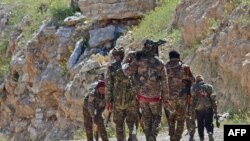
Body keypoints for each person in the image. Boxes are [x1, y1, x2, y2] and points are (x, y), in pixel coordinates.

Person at [122, 39, 169, 141]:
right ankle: (153, 135)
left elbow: (126, 72)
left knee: (145, 116)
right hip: (155, 97)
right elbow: (165, 82)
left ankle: (148, 136)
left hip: (142, 96)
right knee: (156, 117)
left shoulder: (138, 60)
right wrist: (165, 98)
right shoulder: (160, 63)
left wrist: (125, 60)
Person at [105, 46, 138, 141]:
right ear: (123, 55)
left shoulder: (111, 68)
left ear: (114, 56)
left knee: (119, 124)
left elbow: (108, 86)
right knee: (132, 122)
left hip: (117, 101)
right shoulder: (129, 66)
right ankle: (133, 136)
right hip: (131, 98)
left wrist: (108, 101)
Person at [165, 50, 195, 141]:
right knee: (181, 119)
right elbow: (193, 80)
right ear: (179, 57)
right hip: (182, 97)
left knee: (171, 119)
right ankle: (177, 138)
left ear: (170, 57)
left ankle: (172, 136)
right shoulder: (185, 67)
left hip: (169, 98)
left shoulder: (165, 67)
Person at [191, 75, 217, 141]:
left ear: (196, 81)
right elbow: (213, 99)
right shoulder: (209, 86)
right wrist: (215, 109)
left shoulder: (193, 88)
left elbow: (192, 100)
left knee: (200, 124)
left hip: (198, 109)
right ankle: (210, 133)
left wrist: (192, 110)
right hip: (208, 107)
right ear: (203, 80)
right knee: (209, 123)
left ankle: (201, 138)